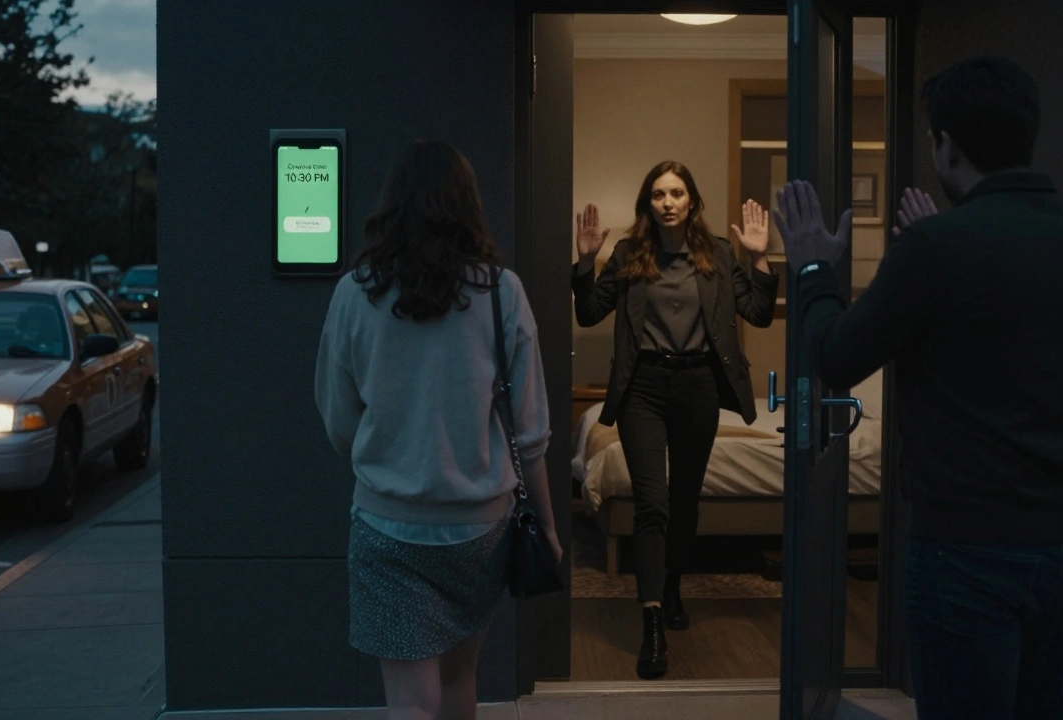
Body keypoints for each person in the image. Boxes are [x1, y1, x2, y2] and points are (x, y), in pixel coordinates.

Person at [772, 55, 1063, 720]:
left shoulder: (938, 249)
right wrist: (932, 254)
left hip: (971, 548)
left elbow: (836, 357)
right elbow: (1014, 351)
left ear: (946, 144)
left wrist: (815, 263)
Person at [314, 139, 559, 720]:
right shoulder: (501, 292)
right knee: (458, 681)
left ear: (391, 206)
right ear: (467, 205)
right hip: (480, 528)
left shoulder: (354, 294)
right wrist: (547, 527)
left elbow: (339, 421)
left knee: (409, 701)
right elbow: (530, 434)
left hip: (386, 525)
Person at [571, 160, 779, 679]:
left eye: (677, 193)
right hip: (644, 386)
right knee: (652, 504)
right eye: (659, 194)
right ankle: (653, 625)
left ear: (692, 202)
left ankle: (672, 584)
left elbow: (756, 312)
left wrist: (761, 257)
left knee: (685, 503)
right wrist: (585, 261)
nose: (668, 202)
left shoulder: (720, 255)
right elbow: (589, 312)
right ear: (648, 203)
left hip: (698, 386)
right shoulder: (628, 254)